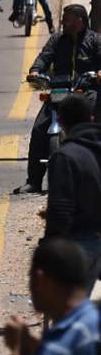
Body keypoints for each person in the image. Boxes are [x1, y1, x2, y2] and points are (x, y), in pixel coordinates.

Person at [17, 5, 101, 194]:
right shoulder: (57, 39)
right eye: (64, 18)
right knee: (39, 128)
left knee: (92, 122)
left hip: (84, 91)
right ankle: (34, 181)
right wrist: (35, 71)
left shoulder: (94, 40)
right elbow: (44, 57)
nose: (64, 22)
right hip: (59, 91)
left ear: (80, 20)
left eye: (68, 19)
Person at [2, 239, 99, 355]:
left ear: (41, 280)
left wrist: (18, 348)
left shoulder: (64, 339)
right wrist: (33, 344)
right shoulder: (92, 319)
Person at [42, 94, 101, 292]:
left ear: (60, 120)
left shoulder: (65, 156)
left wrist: (49, 249)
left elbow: (61, 211)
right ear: (91, 118)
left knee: (70, 315)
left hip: (82, 245)